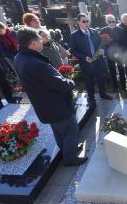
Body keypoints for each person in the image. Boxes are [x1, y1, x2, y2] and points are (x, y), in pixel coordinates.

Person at [14, 27, 87, 167]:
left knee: (59, 131)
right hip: (56, 104)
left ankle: (67, 149)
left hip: (43, 104)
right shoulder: (36, 64)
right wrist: (70, 82)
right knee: (71, 130)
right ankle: (70, 158)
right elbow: (60, 84)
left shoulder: (19, 58)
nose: (42, 42)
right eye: (39, 40)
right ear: (33, 43)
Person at [69, 13, 112, 110]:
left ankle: (103, 94)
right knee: (89, 82)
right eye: (84, 21)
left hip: (97, 61)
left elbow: (99, 45)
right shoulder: (74, 35)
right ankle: (91, 98)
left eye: (87, 21)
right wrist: (84, 57)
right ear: (78, 22)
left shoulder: (94, 32)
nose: (86, 23)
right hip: (86, 63)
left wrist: (102, 50)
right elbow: (73, 50)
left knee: (100, 79)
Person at [99, 14, 125, 91]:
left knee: (121, 69)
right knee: (112, 70)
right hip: (109, 53)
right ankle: (115, 86)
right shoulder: (103, 30)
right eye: (109, 21)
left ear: (115, 21)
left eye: (113, 21)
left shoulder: (120, 30)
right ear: (106, 22)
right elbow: (101, 43)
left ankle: (123, 86)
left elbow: (124, 42)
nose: (111, 23)